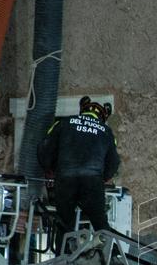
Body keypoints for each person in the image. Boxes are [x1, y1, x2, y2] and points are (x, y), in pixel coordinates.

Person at [37, 96, 121, 233]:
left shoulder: (63, 123)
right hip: (92, 182)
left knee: (64, 225)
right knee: (100, 224)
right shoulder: (106, 132)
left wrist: (51, 169)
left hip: (65, 179)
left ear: (82, 109)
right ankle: (109, 252)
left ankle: (63, 251)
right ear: (103, 116)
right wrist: (103, 178)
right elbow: (113, 163)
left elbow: (45, 148)